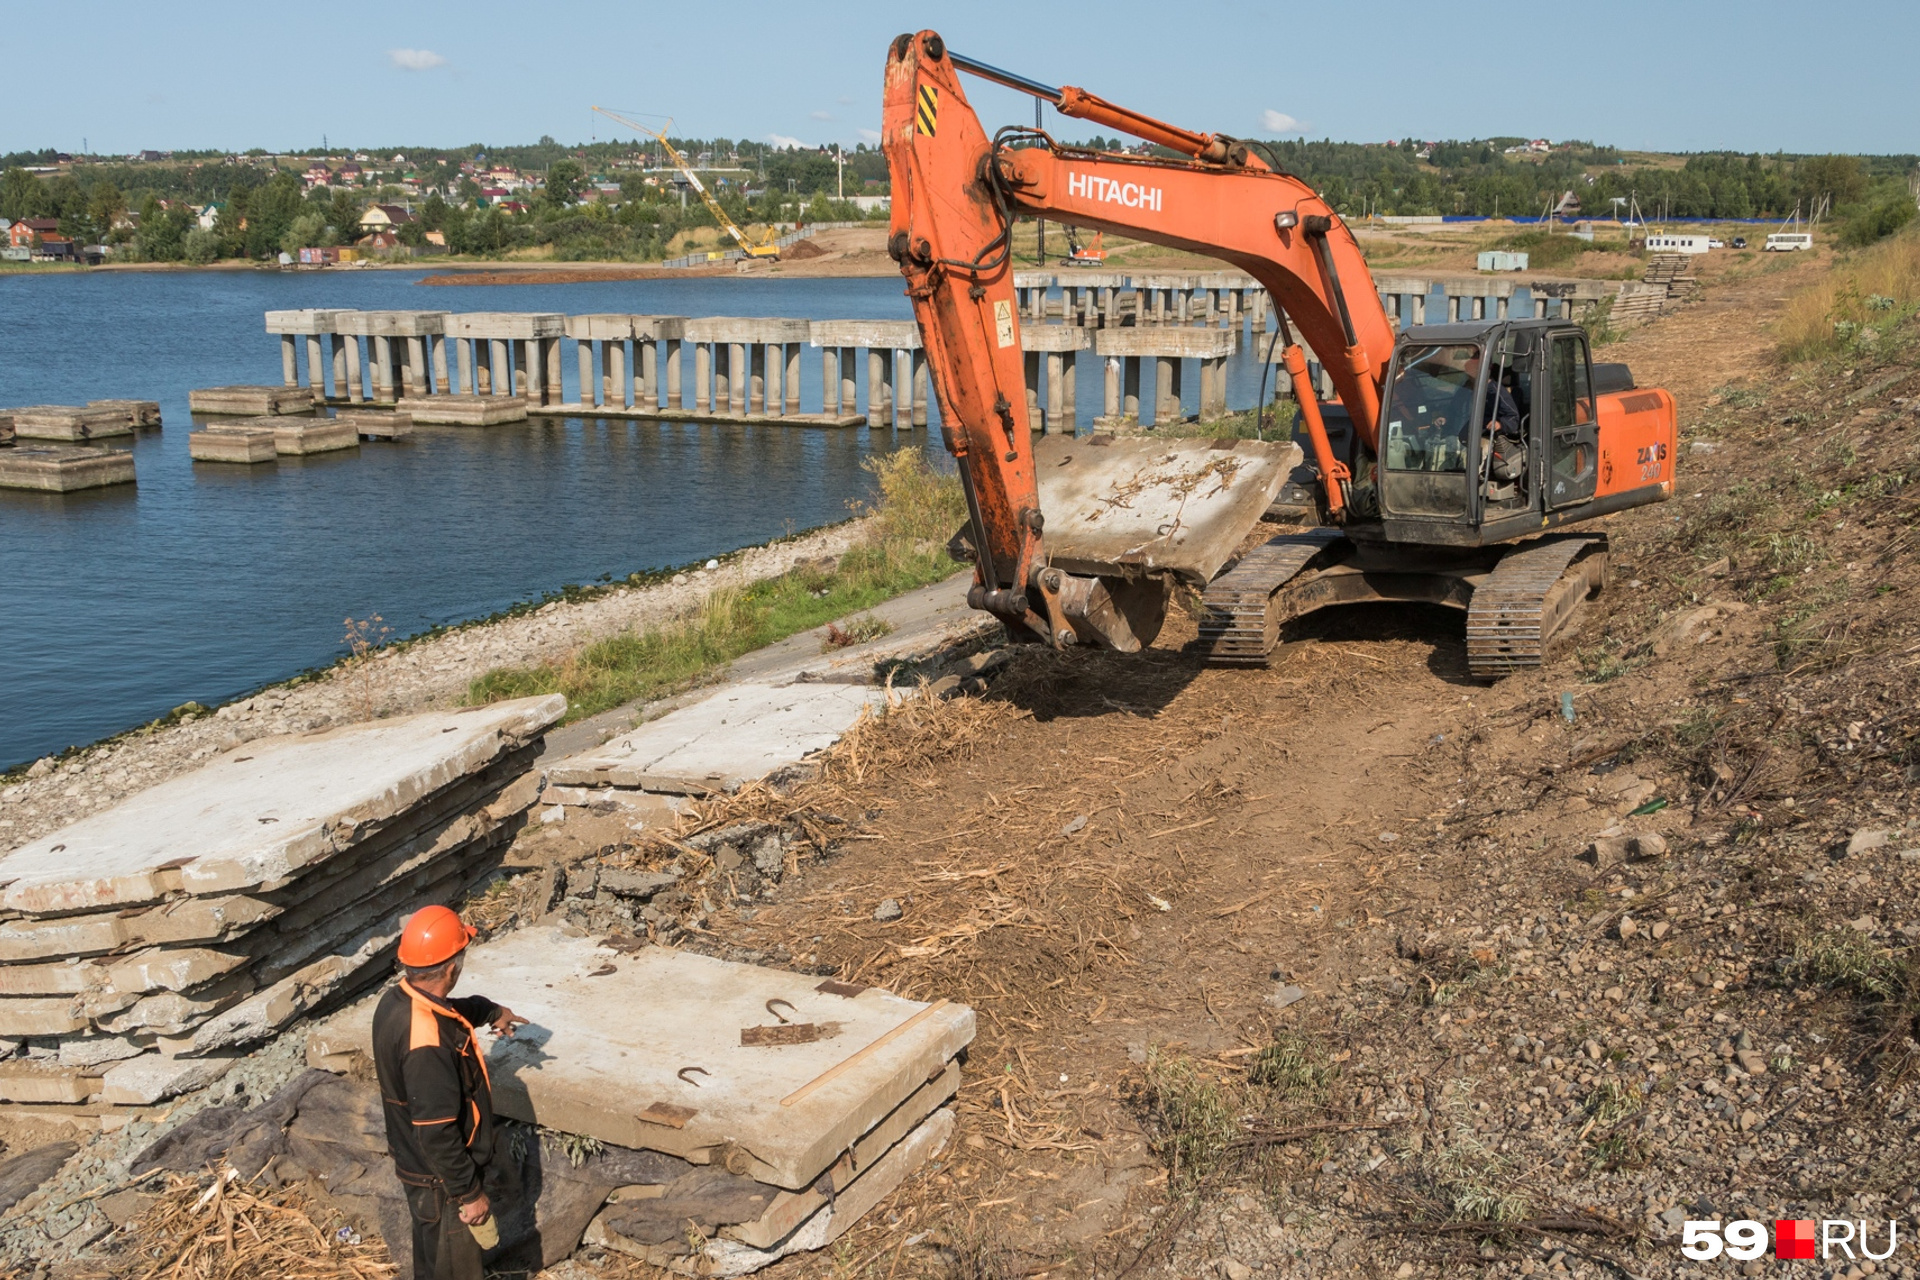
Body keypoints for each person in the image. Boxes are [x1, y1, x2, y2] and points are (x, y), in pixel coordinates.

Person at [373, 906, 527, 1280]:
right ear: (451, 968)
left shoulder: (399, 1001)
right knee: (454, 1269)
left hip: (422, 1170)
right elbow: (437, 1133)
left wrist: (490, 1011)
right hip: (441, 1181)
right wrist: (469, 1194)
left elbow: (451, 1011)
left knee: (434, 1263)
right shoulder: (426, 1046)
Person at [1463, 350, 1526, 484]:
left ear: (1487, 367)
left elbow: (1513, 418)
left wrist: (1500, 424)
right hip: (1463, 433)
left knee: (1476, 449)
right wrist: (1443, 419)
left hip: (1484, 435)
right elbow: (1454, 412)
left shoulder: (1497, 392)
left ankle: (1470, 484)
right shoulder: (1464, 390)